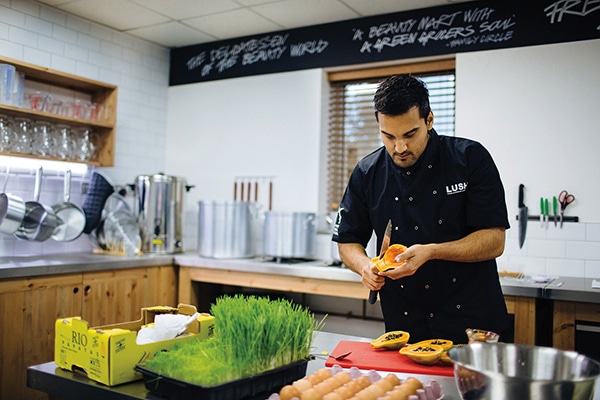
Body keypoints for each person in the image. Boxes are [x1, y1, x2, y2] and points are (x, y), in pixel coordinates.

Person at [332, 74, 511, 344]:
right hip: (405, 326)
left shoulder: (470, 159)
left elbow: (494, 241)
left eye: (410, 134)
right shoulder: (367, 172)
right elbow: (348, 240)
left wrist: (432, 251)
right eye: (388, 136)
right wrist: (365, 266)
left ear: (429, 120)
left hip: (473, 326)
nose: (399, 147)